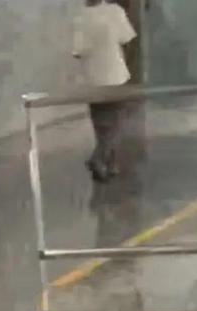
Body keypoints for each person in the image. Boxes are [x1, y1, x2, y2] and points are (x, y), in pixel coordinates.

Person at [73, 0, 137, 182]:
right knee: (117, 121)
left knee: (100, 124)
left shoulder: (80, 16)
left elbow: (78, 52)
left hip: (93, 77)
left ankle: (110, 163)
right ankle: (99, 158)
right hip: (116, 74)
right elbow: (128, 40)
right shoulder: (114, 11)